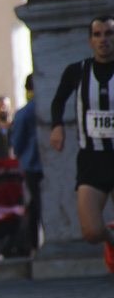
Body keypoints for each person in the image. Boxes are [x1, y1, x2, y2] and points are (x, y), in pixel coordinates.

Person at [50, 14, 114, 269]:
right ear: (89, 41)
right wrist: (57, 127)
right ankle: (110, 238)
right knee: (91, 232)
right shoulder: (76, 71)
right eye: (97, 35)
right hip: (91, 160)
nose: (103, 40)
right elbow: (58, 100)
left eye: (109, 33)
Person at [10, 74, 42, 256]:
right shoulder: (47, 108)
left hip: (31, 164)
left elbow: (17, 141)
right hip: (45, 164)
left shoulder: (25, 112)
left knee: (34, 205)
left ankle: (34, 245)